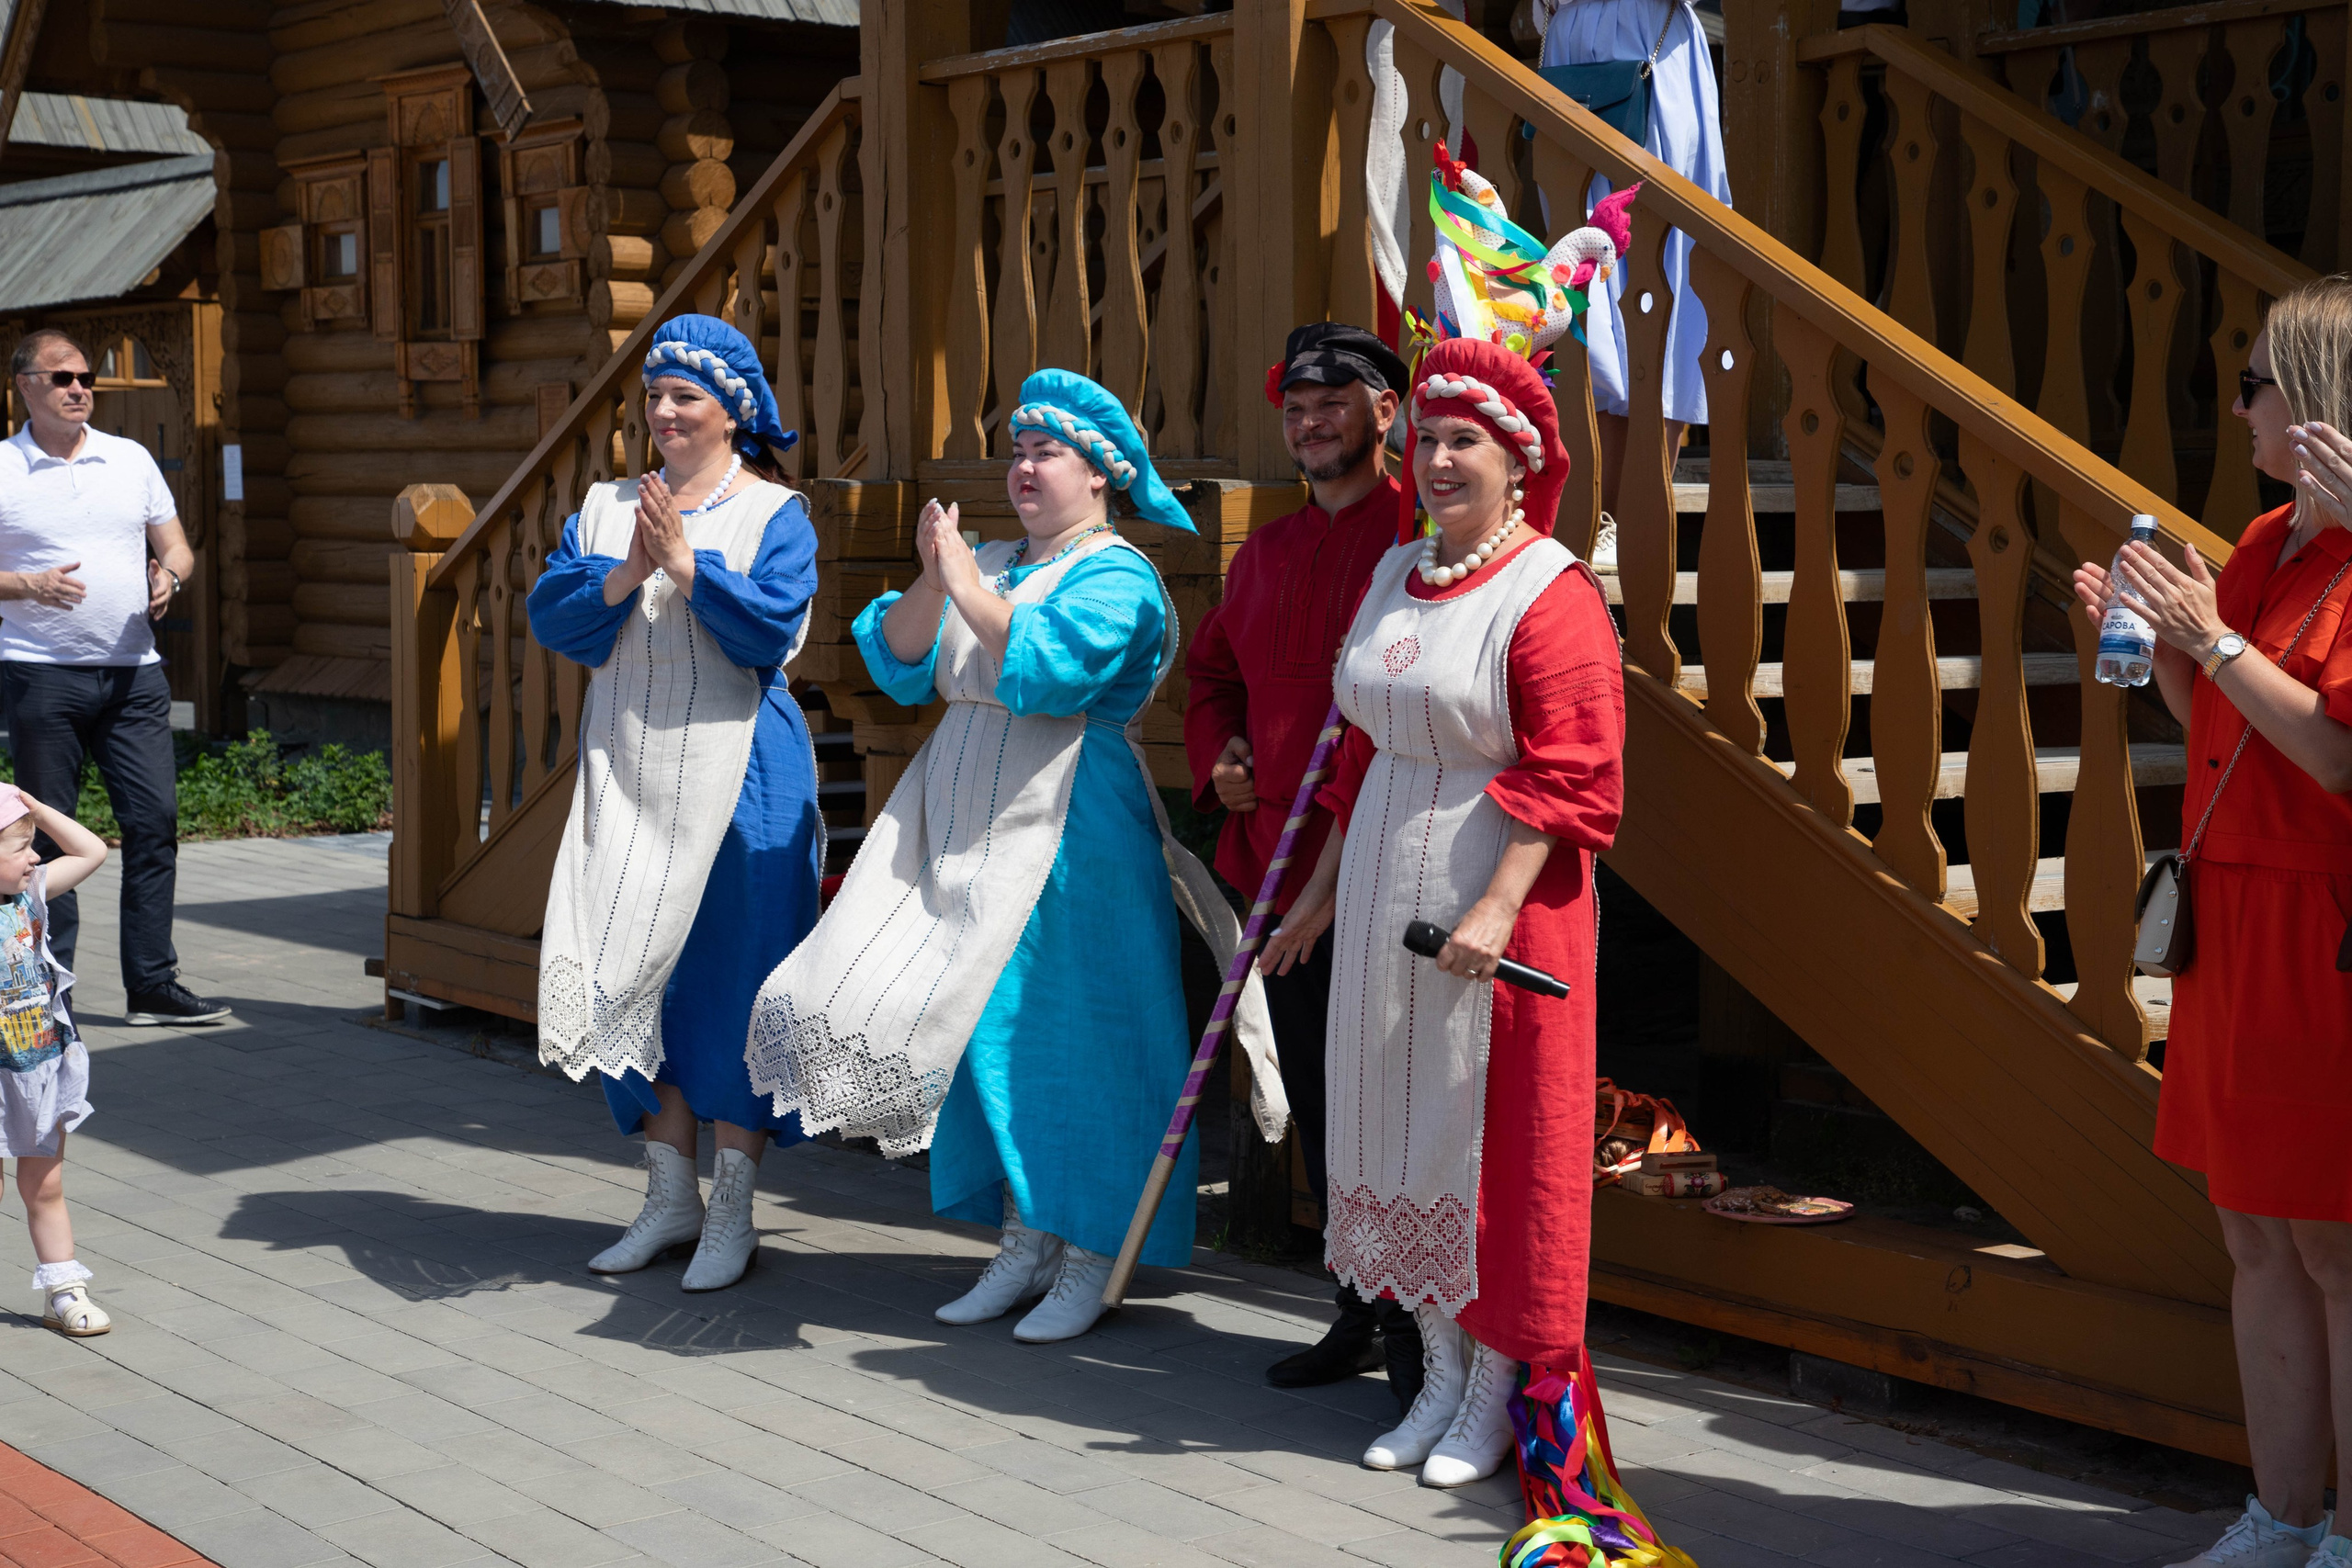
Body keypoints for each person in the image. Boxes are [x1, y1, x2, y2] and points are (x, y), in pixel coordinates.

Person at [749, 368, 1283, 1346]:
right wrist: (932, 571)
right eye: (1019, 451)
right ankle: (1023, 1238)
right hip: (961, 817)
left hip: (1072, 821)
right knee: (982, 1030)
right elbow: (898, 660)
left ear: (1101, 474)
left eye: (1048, 453)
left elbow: (1048, 675)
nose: (1024, 467)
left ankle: (1090, 1253)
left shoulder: (1118, 574)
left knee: (1082, 1033)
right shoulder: (987, 557)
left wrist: (967, 585)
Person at [1262, 334, 1626, 1488]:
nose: (1438, 459)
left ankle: (1491, 1397)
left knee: (1479, 1142)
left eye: (1465, 440)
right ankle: (1432, 1377)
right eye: (1426, 439)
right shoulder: (1396, 572)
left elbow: (1577, 771)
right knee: (1386, 1126)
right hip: (1378, 890)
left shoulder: (1549, 588)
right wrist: (1316, 898)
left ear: (1519, 459)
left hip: (1488, 905)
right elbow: (1360, 756)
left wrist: (1495, 908)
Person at [2071, 279, 2352, 1568]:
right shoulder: (2265, 539)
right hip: (2234, 916)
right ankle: (2283, 1513)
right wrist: (2159, 640)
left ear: (2324, 398)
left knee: (2334, 1241)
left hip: (2324, 928)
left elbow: (2338, 759)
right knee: (2254, 1230)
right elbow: (2229, 735)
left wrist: (2213, 641)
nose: (2237, 403)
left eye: (2259, 381)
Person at [528, 314, 823, 1293]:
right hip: (631, 769)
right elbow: (558, 618)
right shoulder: (611, 506)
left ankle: (734, 1209)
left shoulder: (774, 513)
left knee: (735, 980)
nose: (660, 412)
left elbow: (769, 630)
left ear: (730, 411)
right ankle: (668, 1196)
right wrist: (631, 567)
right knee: (630, 969)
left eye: (683, 397)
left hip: (742, 777)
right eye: (653, 395)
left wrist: (691, 568)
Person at [1184, 321, 1426, 1404]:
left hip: (1378, 863)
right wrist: (1220, 761)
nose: (1310, 418)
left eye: (1337, 399)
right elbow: (1212, 678)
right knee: (1328, 1098)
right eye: (1296, 401)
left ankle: (1424, 1322)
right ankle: (1357, 1308)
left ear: (1386, 414)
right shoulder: (1267, 551)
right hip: (1274, 864)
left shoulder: (1417, 543)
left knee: (1394, 1094)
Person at [0, 328, 225, 1027]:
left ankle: (151, 985)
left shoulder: (129, 459)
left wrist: (171, 578)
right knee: (41, 844)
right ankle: (47, 991)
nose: (79, 387)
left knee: (154, 824)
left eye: (86, 377)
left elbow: (180, 546)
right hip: (41, 679)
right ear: (26, 385)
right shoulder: (3, 467)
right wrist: (28, 583)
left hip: (134, 677)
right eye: (63, 376)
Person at [1535, 0, 1731, 561]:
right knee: (1581, 269)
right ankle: (1590, 510)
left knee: (1662, 262)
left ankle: (1633, 514)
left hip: (1649, 35)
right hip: (1572, 39)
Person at [0, 783, 114, 1336]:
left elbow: (92, 851)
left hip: (35, 1066)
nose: (36, 855)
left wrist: (34, 811)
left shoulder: (34, 892)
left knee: (45, 1185)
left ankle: (64, 1290)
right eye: (21, 847)